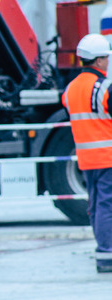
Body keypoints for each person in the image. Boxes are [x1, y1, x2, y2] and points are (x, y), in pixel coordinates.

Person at [62, 33, 112, 273]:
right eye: (106, 58)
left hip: (86, 159)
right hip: (108, 157)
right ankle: (107, 252)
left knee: (96, 206)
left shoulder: (70, 89)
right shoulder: (104, 89)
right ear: (99, 61)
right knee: (106, 205)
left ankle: (104, 250)